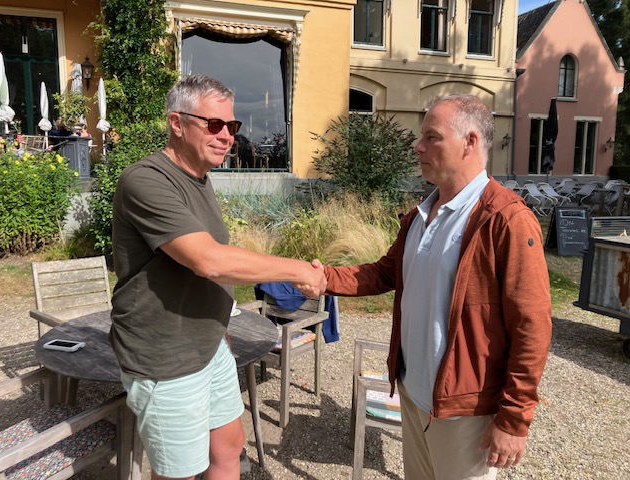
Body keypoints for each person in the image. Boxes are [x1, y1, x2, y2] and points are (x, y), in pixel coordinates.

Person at [307, 94, 552, 479]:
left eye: (431, 137)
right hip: (412, 395)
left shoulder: (506, 220)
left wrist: (514, 419)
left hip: (465, 412)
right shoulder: (421, 215)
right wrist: (324, 279)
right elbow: (384, 273)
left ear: (470, 142)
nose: (418, 146)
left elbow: (532, 324)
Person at [110, 74, 325, 480]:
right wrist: (298, 270)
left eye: (232, 125)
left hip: (209, 345)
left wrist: (219, 323)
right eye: (214, 124)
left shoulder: (200, 178)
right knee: (180, 472)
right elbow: (207, 260)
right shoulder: (145, 180)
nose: (227, 135)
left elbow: (208, 263)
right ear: (176, 123)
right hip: (166, 356)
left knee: (228, 447)